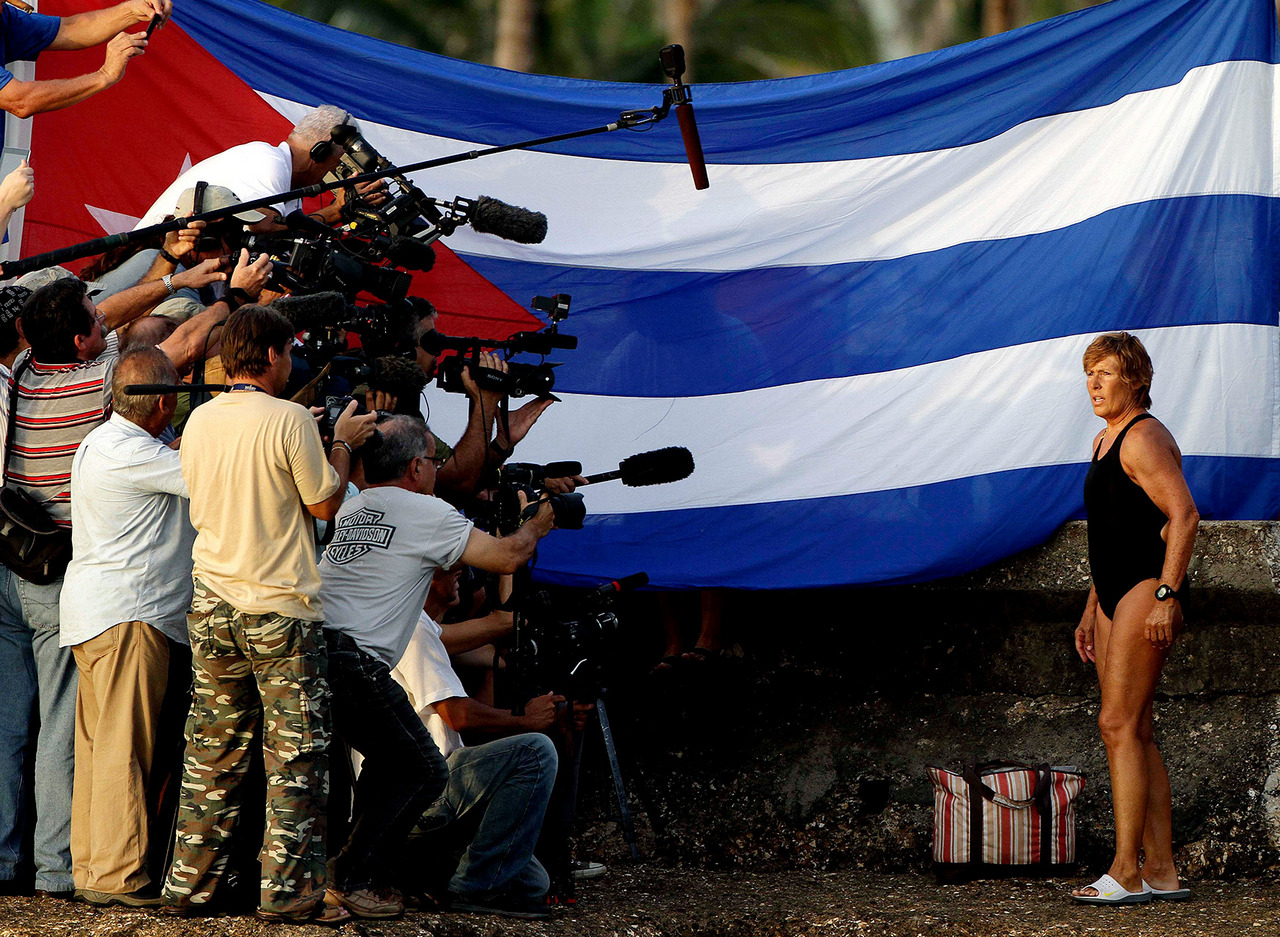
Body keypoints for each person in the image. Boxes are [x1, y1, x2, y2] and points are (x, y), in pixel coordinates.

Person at [0, 268, 228, 899]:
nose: (106, 325)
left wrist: (174, 277)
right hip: (81, 589)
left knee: (44, 732)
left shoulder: (19, 374)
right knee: (89, 740)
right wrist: (222, 296)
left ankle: (54, 866)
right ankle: (81, 870)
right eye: (96, 321)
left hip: (21, 571)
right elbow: (167, 360)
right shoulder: (107, 393)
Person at [162, 304, 376, 924]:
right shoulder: (289, 420)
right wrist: (338, 444)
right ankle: (290, 896)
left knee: (211, 750)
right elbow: (323, 506)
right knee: (296, 756)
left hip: (211, 603)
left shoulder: (199, 419)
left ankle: (188, 888)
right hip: (279, 609)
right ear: (276, 356)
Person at [316, 414, 554, 918]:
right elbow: (508, 557)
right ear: (416, 467)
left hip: (314, 652)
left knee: (396, 761)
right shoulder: (424, 511)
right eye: (435, 460)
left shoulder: (354, 504)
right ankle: (355, 876)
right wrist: (538, 520)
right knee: (422, 768)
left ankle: (357, 873)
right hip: (354, 659)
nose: (438, 470)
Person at [59, 348, 193, 907]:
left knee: (98, 748)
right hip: (130, 615)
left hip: (97, 613)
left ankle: (95, 869)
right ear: (164, 402)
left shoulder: (104, 441)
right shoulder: (137, 454)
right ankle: (118, 875)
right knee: (123, 749)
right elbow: (219, 472)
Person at [1070, 332, 1199, 906]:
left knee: (1117, 724)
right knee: (1135, 729)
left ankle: (1126, 871)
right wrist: (1091, 603)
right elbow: (1115, 531)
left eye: (1107, 374)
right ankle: (1163, 871)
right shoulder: (1105, 439)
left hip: (1149, 588)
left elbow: (1184, 515)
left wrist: (1168, 596)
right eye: (1089, 374)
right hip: (1114, 594)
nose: (1094, 384)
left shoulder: (1143, 437)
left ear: (1136, 380)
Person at [388, 565, 562, 921]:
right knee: (534, 750)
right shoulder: (412, 627)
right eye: (449, 569)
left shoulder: (409, 627)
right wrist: (526, 720)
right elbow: (458, 715)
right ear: (423, 577)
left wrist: (506, 659)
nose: (460, 576)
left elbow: (482, 647)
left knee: (534, 884)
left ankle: (428, 874)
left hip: (420, 800)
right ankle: (473, 888)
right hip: (426, 794)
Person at [139, 105, 382, 229]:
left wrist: (340, 208)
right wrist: (334, 212)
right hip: (151, 266)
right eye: (337, 162)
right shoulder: (268, 159)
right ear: (321, 151)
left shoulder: (288, 189)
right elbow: (261, 226)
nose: (335, 172)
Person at [0, 0, 168, 118]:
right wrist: (104, 75)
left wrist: (132, 11)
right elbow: (20, 101)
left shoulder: (3, 15)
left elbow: (69, 30)